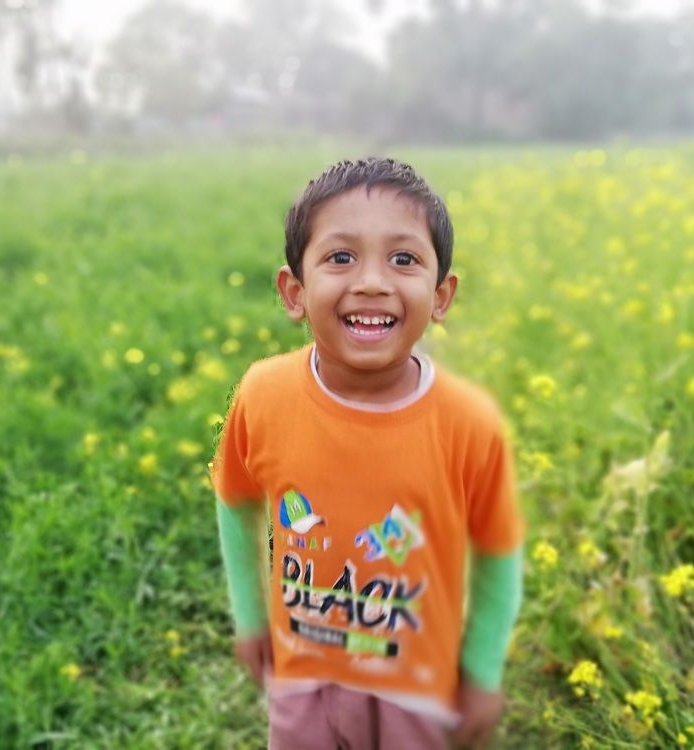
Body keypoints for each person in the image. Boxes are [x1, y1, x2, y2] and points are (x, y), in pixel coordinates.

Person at [211, 157, 525, 749]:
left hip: (417, 686)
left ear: (441, 295)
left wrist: (481, 673)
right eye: (340, 257)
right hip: (302, 674)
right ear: (293, 291)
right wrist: (250, 616)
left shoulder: (467, 423)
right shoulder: (263, 394)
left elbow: (499, 549)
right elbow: (235, 500)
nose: (373, 281)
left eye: (403, 259)